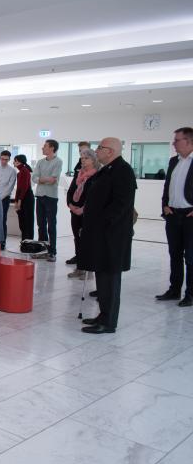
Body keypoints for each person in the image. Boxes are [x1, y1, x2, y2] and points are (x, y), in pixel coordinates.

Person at [78, 138, 137, 333]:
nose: (96, 151)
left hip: (111, 236)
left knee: (110, 279)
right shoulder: (108, 169)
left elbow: (121, 205)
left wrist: (101, 223)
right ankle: (102, 315)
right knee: (101, 277)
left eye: (100, 148)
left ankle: (108, 322)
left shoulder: (123, 171)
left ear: (110, 151)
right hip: (100, 234)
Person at [156, 126, 193, 307]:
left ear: (188, 141)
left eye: (177, 140)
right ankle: (174, 289)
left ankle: (191, 294)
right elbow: (167, 186)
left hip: (190, 216)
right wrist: (165, 205)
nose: (174, 143)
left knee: (191, 257)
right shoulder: (173, 161)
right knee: (174, 254)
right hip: (173, 215)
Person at [66, 148, 100, 277]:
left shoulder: (97, 175)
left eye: (86, 158)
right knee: (77, 238)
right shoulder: (79, 173)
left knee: (87, 240)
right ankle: (80, 267)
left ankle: (88, 268)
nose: (83, 160)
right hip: (75, 211)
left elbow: (95, 196)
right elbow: (71, 191)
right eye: (82, 158)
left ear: (93, 160)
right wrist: (70, 204)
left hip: (88, 213)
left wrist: (83, 209)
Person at [32, 139, 63, 261]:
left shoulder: (58, 162)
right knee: (41, 225)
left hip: (51, 197)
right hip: (40, 196)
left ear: (52, 148)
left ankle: (52, 252)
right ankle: (42, 250)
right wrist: (44, 179)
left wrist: (41, 179)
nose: (42, 148)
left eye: (45, 146)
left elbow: (53, 180)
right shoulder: (40, 162)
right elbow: (34, 178)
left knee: (51, 225)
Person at [0, 150, 16, 250]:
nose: (4, 161)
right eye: (2, 159)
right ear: (0, 158)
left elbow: (10, 187)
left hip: (4, 198)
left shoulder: (12, 171)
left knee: (2, 220)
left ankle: (2, 241)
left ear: (9, 159)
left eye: (6, 160)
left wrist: (0, 197)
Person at [13, 154, 35, 241]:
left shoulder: (24, 171)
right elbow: (18, 188)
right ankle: (25, 241)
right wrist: (16, 200)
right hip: (23, 198)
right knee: (22, 220)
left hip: (27, 198)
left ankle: (28, 242)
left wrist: (19, 200)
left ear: (19, 162)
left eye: (15, 161)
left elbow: (24, 187)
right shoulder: (20, 172)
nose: (14, 162)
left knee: (27, 221)